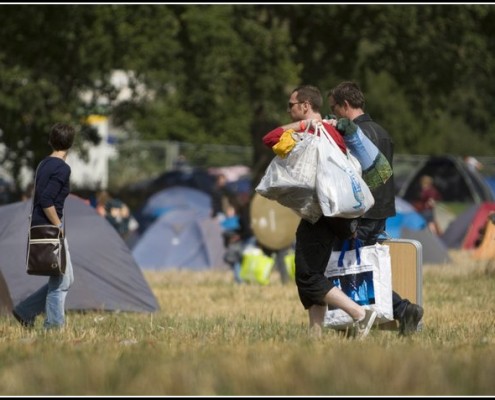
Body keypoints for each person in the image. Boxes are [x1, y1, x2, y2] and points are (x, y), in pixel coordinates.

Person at [262, 84, 377, 339]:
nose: (288, 109)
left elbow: (270, 138)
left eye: (291, 105)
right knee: (311, 272)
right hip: (336, 213)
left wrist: (301, 126)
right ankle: (314, 334)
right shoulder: (332, 130)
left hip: (321, 214)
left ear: (305, 106)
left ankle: (359, 313)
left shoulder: (312, 131)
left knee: (307, 275)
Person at [327, 81, 424, 336]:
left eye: (334, 108)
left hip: (360, 213)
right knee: (364, 269)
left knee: (349, 270)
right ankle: (394, 313)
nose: (334, 114)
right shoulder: (382, 132)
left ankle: (402, 310)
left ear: (345, 105)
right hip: (381, 210)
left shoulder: (352, 134)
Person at [12, 122, 76, 329]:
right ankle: (53, 327)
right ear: (71, 144)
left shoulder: (43, 164)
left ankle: (25, 310)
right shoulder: (62, 168)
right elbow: (46, 199)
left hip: (39, 225)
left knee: (65, 278)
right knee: (61, 281)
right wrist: (58, 226)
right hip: (51, 228)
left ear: (50, 141)